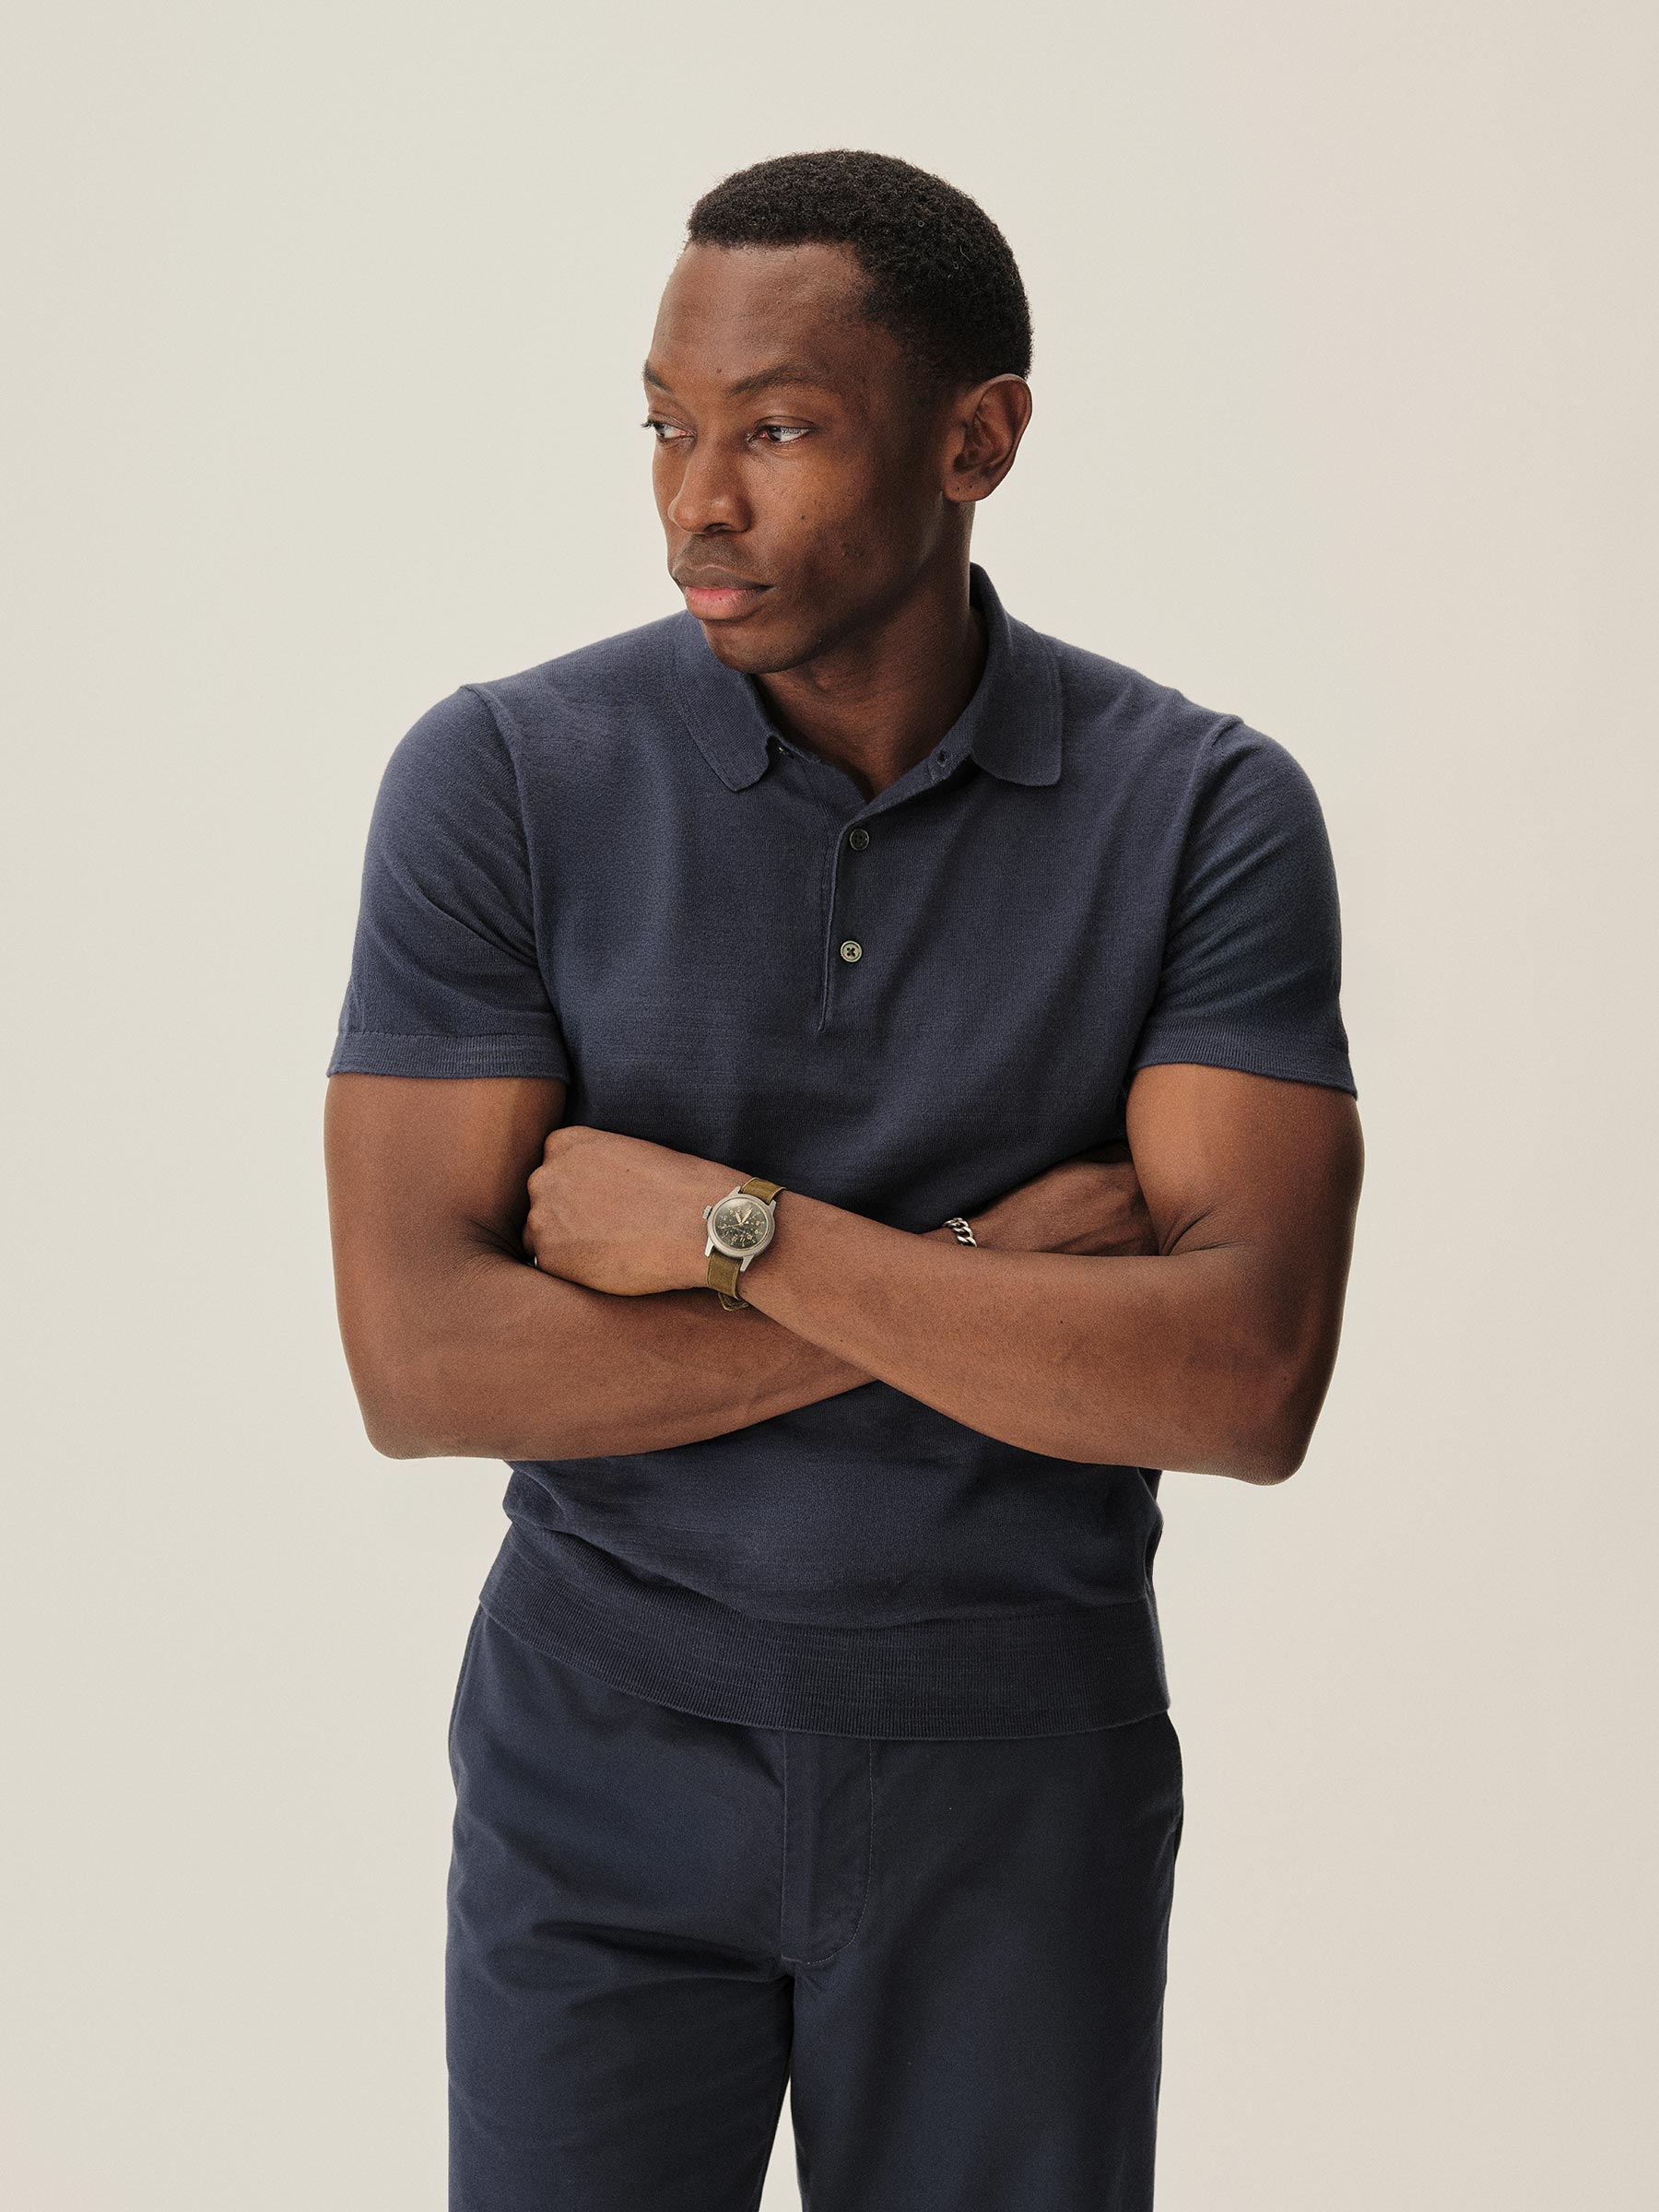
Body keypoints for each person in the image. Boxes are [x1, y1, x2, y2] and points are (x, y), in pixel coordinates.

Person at [323, 147, 1363, 2212]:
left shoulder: (1204, 814)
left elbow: (1244, 1385)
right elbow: (422, 1367)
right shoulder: (504, 779)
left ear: (981, 441)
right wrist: (985, 1269)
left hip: (1022, 1776)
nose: (697, 504)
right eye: (665, 427)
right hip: (596, 1758)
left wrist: (735, 1240)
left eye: (778, 431)